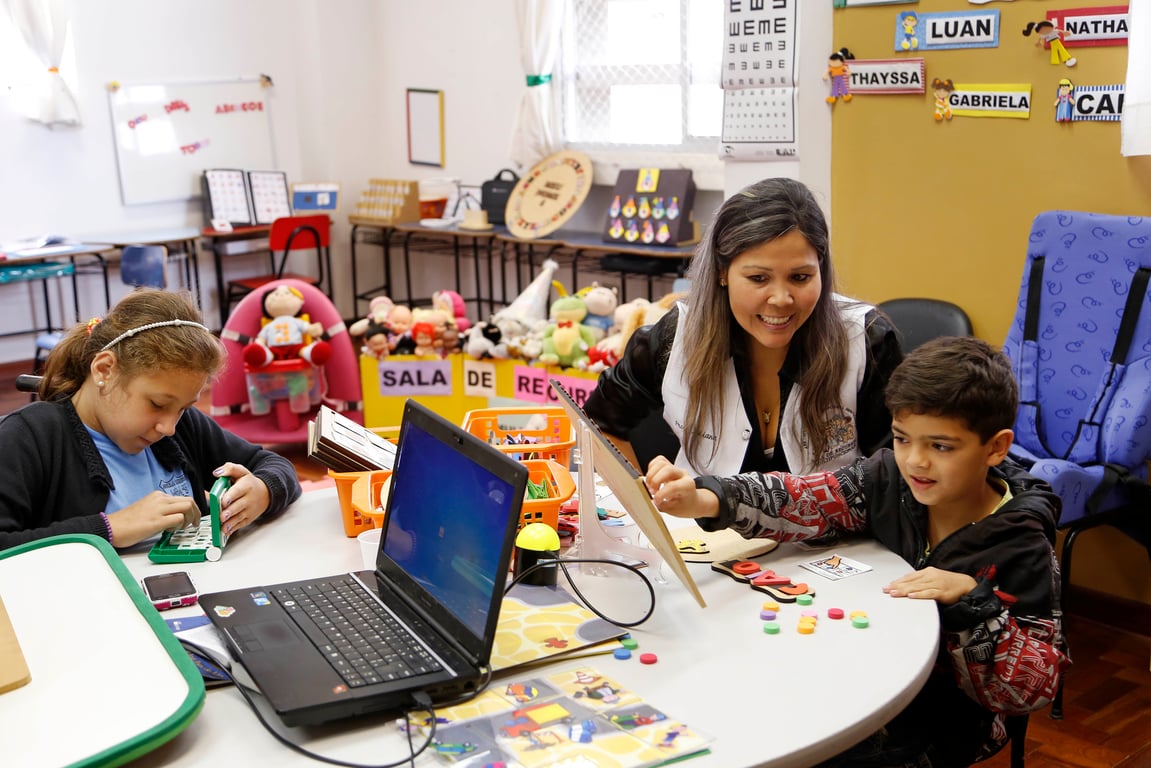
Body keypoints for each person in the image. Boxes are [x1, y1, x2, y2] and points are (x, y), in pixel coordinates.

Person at [646, 336, 1068, 767]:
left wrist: (974, 605)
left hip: (945, 722)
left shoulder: (1022, 542)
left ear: (996, 447)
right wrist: (708, 498)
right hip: (859, 675)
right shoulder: (888, 479)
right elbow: (803, 497)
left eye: (940, 447)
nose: (916, 461)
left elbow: (1032, 687)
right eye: (903, 439)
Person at [584, 177, 903, 476]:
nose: (781, 299)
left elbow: (895, 472)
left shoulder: (866, 339)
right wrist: (646, 511)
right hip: (700, 534)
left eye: (800, 277)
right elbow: (598, 424)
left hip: (836, 536)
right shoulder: (675, 334)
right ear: (723, 272)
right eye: (758, 278)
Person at [0, 289, 302, 552]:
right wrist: (107, 530)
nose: (169, 427)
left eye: (183, 408)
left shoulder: (182, 427)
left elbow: (274, 465)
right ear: (105, 370)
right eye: (157, 404)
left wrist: (263, 490)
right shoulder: (28, 438)